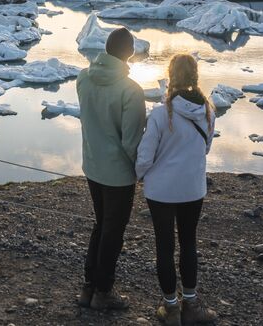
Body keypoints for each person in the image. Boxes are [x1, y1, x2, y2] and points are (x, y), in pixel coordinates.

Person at [135, 54, 219, 325]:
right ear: (195, 76)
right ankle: (191, 305)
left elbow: (145, 155)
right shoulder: (208, 112)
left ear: (171, 76)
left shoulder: (160, 115)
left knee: (164, 245)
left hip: (160, 191)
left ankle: (171, 308)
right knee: (188, 242)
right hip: (192, 189)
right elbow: (206, 148)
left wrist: (139, 176)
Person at [76, 27, 146, 310]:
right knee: (113, 232)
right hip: (118, 175)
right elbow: (131, 142)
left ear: (106, 48)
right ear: (130, 53)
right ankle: (103, 292)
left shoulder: (83, 78)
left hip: (92, 167)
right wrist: (141, 170)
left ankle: (89, 287)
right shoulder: (131, 91)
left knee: (100, 224)